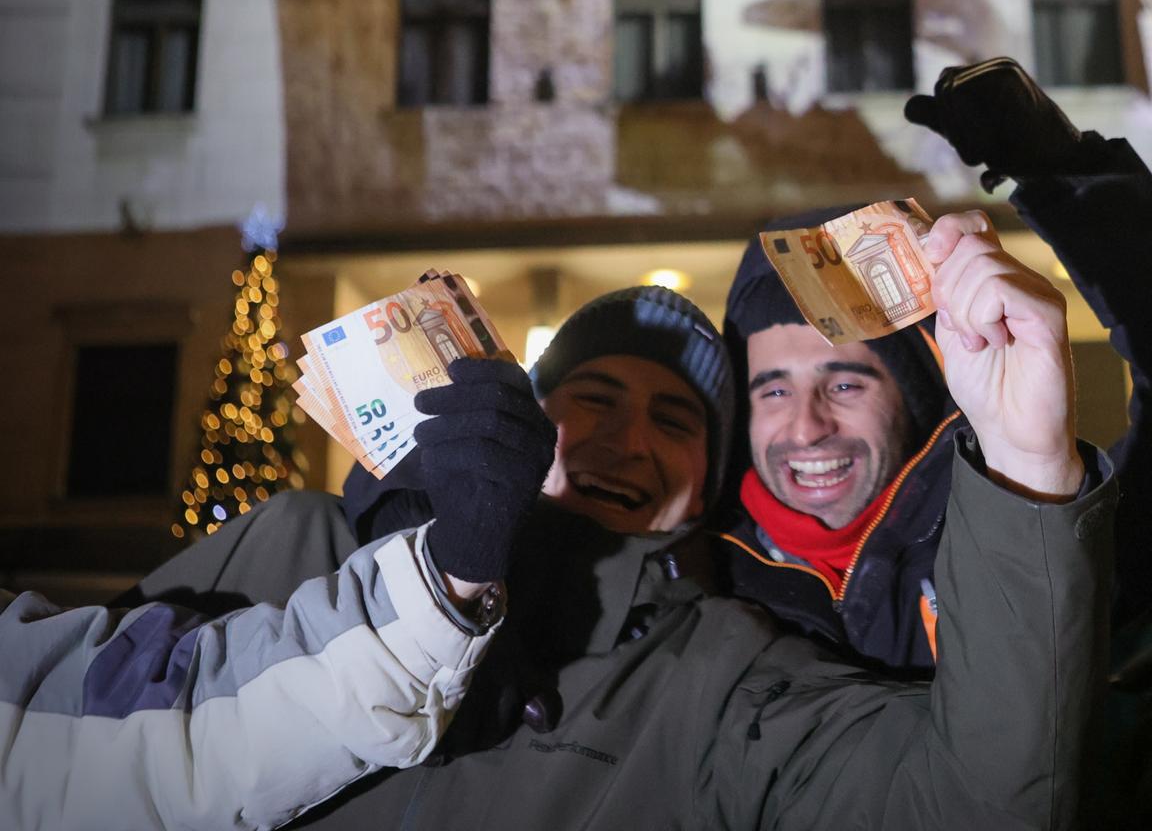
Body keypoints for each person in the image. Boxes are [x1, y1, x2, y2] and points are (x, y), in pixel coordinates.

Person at [138, 252, 1112, 831]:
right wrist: (425, 572)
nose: (625, 439)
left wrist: (1026, 460)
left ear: (705, 487)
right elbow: (79, 747)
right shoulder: (296, 546)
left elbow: (972, 807)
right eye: (591, 400)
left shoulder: (728, 677)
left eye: (676, 422)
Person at [720, 58, 1150, 675]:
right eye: (773, 391)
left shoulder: (1053, 540)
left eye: (844, 383)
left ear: (918, 395)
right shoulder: (690, 572)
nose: (807, 429)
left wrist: (1073, 179)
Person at [2, 407, 556, 831]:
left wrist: (446, 578)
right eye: (594, 404)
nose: (623, 444)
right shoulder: (305, 528)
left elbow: (135, 727)